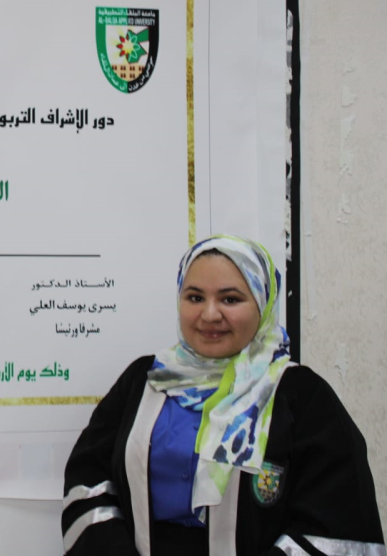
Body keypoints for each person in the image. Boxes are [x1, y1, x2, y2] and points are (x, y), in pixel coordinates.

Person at [61, 235, 384, 555]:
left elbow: (335, 518)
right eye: (195, 297)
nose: (210, 314)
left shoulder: (302, 397)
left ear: (262, 303)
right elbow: (89, 479)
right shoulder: (146, 379)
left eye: (230, 299)